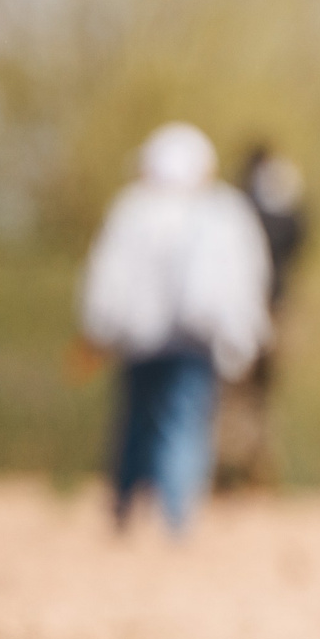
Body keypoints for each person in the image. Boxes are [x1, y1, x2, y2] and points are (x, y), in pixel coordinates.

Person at [80, 124, 273, 535]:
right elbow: (243, 281)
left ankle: (125, 505)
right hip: (194, 342)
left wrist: (98, 329)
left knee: (135, 421)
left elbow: (106, 278)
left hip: (139, 341)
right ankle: (176, 515)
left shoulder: (133, 210)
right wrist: (242, 336)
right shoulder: (222, 213)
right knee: (184, 425)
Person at [215, 144, 308, 489]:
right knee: (252, 394)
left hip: (255, 308)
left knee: (240, 392)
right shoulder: (278, 211)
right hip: (268, 308)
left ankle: (242, 468)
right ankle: (244, 468)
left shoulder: (237, 210)